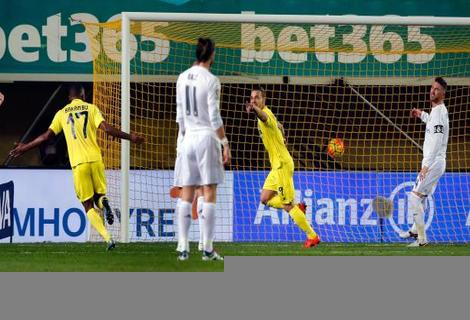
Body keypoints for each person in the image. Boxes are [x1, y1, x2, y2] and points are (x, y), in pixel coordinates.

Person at [9, 84, 144, 250]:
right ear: (83, 95)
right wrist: (131, 137)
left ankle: (108, 238)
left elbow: (46, 137)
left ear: (69, 97)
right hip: (95, 159)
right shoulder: (92, 108)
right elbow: (107, 130)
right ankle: (105, 204)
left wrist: (24, 147)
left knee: (87, 205)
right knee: (100, 196)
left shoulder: (62, 113)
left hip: (79, 164)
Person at [175, 37, 230, 261]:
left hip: (187, 137)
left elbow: (180, 116)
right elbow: (215, 118)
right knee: (209, 192)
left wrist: (180, 143)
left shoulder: (181, 78)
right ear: (211, 54)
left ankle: (182, 246)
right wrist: (225, 143)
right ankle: (207, 248)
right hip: (206, 138)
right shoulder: (212, 80)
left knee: (186, 192)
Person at [245, 87, 320, 248]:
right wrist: (283, 137)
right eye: (252, 98)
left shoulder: (264, 114)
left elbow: (264, 117)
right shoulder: (270, 114)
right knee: (264, 198)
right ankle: (297, 208)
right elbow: (280, 125)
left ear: (263, 99)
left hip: (282, 165)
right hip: (276, 166)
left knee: (287, 205)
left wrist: (254, 109)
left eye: (257, 98)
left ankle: (312, 236)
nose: (254, 100)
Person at [400, 77, 449, 247]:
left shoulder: (440, 112)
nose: (432, 91)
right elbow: (431, 123)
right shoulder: (436, 112)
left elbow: (436, 141)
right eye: (432, 88)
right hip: (434, 162)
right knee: (421, 198)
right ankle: (415, 231)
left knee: (414, 198)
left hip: (434, 162)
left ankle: (421, 239)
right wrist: (421, 114)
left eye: (436, 89)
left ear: (443, 93)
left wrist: (426, 166)